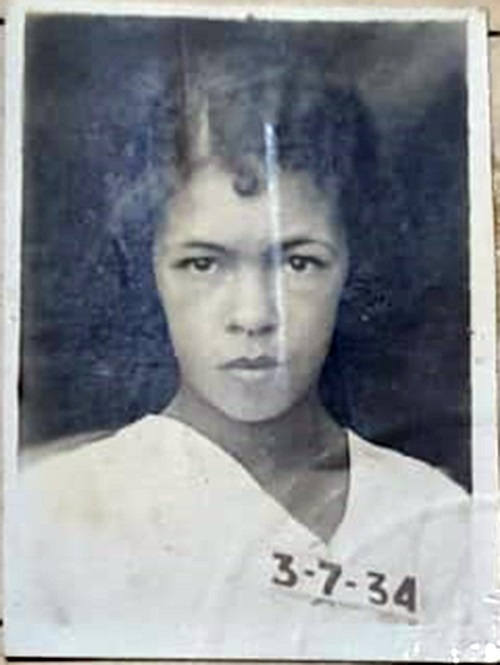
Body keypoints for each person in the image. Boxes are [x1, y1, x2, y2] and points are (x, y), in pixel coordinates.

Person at [7, 46, 472, 659]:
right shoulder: (54, 516)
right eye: (203, 263)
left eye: (299, 262)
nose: (253, 316)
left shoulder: (437, 520)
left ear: (351, 264)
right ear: (150, 266)